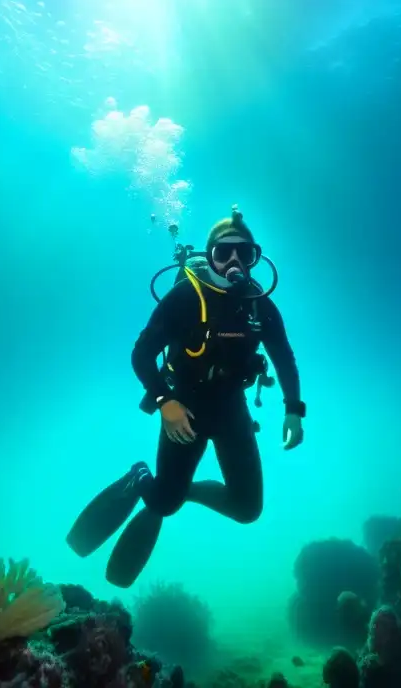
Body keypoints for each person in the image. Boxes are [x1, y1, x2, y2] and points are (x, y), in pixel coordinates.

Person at [66, 208, 306, 588]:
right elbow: (141, 355)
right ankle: (142, 479)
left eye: (244, 254)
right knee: (162, 504)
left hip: (231, 410)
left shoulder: (261, 305)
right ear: (209, 255)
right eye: (223, 253)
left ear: (255, 257)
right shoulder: (185, 297)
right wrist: (165, 402)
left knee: (247, 509)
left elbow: (284, 357)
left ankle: (179, 491)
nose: (233, 263)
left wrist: (294, 409)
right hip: (184, 408)